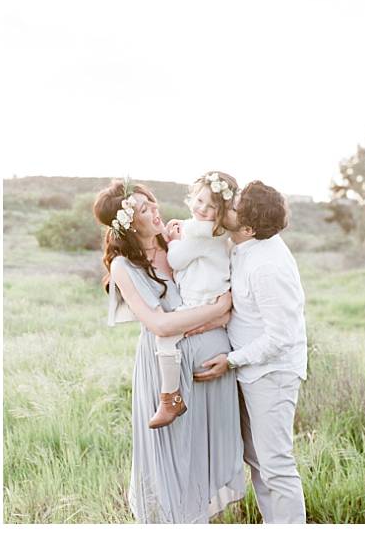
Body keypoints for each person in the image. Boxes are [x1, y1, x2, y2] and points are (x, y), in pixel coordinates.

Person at [94, 178, 244, 524]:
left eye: (152, 203)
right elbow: (159, 325)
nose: (155, 211)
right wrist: (219, 307)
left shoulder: (175, 241)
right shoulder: (123, 266)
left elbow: (224, 284)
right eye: (145, 209)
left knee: (198, 459)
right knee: (173, 459)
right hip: (167, 375)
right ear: (129, 222)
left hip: (211, 373)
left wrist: (223, 307)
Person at [198, 180, 308, 523]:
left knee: (276, 465)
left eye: (233, 206)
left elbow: (281, 337)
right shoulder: (244, 246)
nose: (226, 205)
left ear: (247, 227)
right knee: (258, 461)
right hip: (251, 369)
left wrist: (231, 360)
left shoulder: (268, 266)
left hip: (271, 374)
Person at [149, 171, 237, 428]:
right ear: (192, 196)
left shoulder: (203, 233)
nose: (203, 209)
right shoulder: (208, 230)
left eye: (212, 207)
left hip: (202, 300)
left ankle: (170, 399)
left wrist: (174, 240)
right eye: (199, 201)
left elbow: (175, 259)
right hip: (206, 295)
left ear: (221, 212)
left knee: (165, 336)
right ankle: (170, 399)